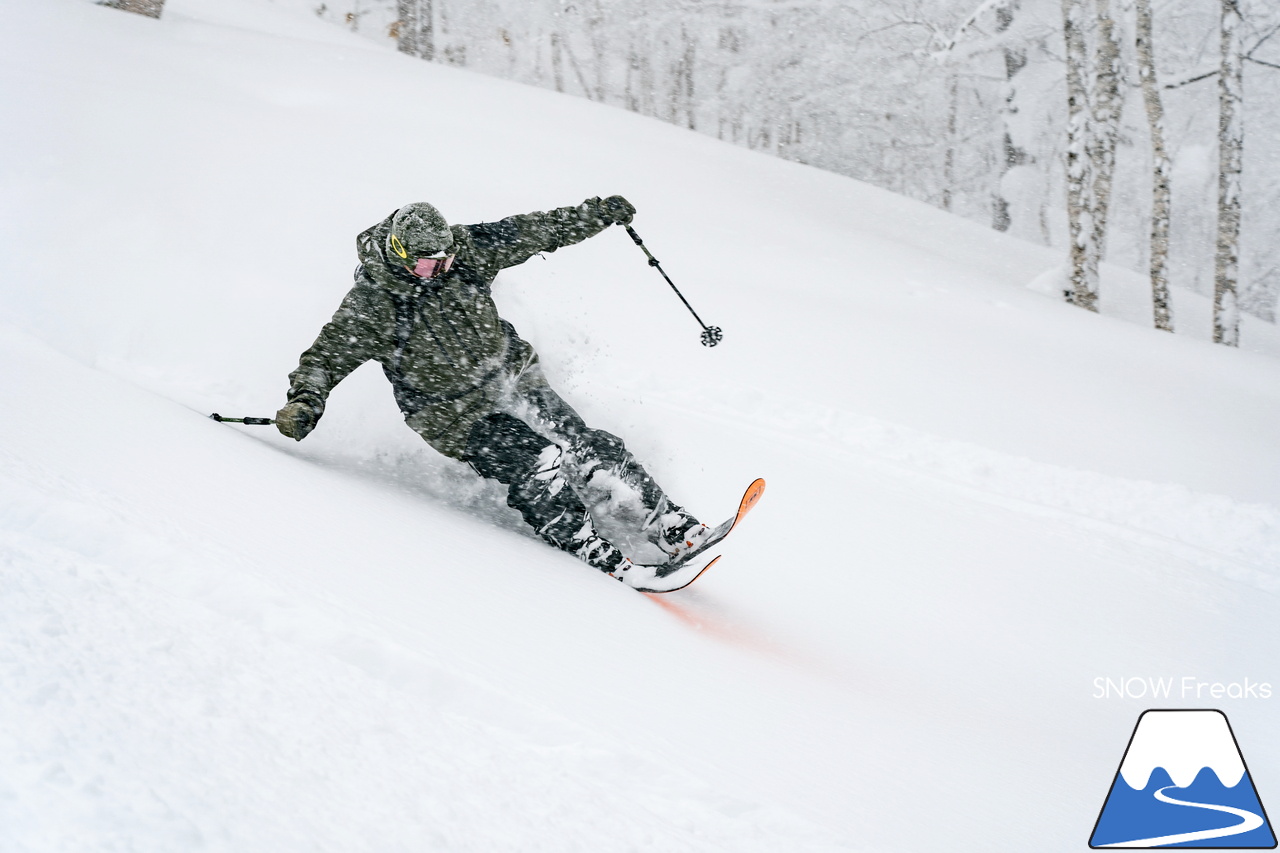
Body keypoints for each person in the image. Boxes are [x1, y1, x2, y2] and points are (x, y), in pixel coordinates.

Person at [276, 197, 709, 581]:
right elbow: (325, 358)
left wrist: (595, 214)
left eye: (443, 261)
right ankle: (587, 544)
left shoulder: (466, 251)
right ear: (399, 254)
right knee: (535, 460)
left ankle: (668, 523)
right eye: (427, 265)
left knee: (588, 447)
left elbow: (538, 229)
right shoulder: (373, 303)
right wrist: (305, 401)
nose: (437, 271)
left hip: (512, 374)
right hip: (452, 414)